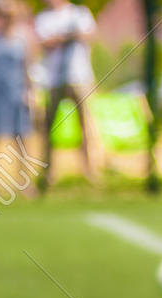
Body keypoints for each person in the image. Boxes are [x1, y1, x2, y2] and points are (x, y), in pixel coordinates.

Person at [34, 0, 99, 189]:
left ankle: (89, 171)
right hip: (54, 79)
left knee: (86, 125)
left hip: (80, 77)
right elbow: (44, 42)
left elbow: (89, 35)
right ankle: (48, 173)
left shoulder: (80, 13)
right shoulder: (44, 18)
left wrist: (71, 36)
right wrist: (65, 37)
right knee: (49, 127)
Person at [0, 0, 36, 179]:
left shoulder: (24, 38)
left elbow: (29, 67)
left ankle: (24, 179)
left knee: (21, 136)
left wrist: (31, 91)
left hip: (17, 92)